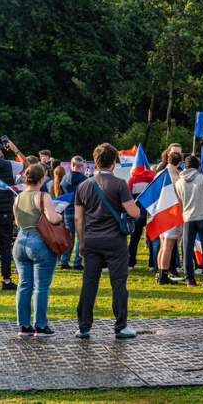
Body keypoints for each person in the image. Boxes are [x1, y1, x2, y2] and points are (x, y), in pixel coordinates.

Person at [74, 143, 141, 339]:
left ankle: (83, 326)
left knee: (89, 283)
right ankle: (120, 326)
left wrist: (82, 242)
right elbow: (133, 212)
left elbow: (78, 219)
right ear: (113, 162)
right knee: (119, 283)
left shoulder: (83, 186)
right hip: (115, 241)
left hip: (92, 240)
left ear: (95, 162)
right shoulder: (120, 184)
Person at [13, 164, 63, 337]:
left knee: (24, 285)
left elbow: (17, 222)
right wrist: (60, 215)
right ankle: (40, 326)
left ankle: (24, 326)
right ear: (41, 180)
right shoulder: (43, 196)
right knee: (41, 286)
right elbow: (53, 218)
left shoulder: (18, 197)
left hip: (20, 243)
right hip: (39, 242)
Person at [175, 154, 203, 288]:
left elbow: (179, 202)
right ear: (198, 166)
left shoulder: (178, 182)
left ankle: (189, 278)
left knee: (187, 248)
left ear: (184, 166)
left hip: (187, 217)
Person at [0, 138, 29, 290]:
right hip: (4, 211)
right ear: (1, 152)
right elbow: (28, 165)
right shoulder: (10, 165)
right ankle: (6, 280)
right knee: (5, 247)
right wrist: (15, 149)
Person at [155, 151, 184, 284]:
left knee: (162, 246)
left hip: (160, 212)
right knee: (168, 246)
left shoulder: (159, 173)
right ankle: (163, 276)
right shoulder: (176, 176)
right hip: (172, 213)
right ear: (179, 163)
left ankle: (160, 273)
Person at [59, 156, 89, 270]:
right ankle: (77, 262)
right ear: (81, 166)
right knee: (80, 237)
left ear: (72, 164)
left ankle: (64, 260)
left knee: (68, 237)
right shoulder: (85, 180)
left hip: (67, 209)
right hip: (80, 211)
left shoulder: (64, 179)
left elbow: (62, 193)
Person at [126, 160, 155, 270]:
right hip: (151, 212)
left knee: (134, 239)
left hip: (137, 213)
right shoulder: (153, 178)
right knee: (153, 239)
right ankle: (152, 264)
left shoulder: (133, 180)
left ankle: (130, 263)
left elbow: (127, 196)